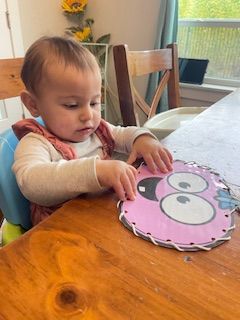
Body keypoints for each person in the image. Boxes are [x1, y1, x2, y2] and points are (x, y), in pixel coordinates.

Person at [12, 36, 173, 225]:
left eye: (94, 102)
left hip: (102, 217)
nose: (88, 115)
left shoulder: (97, 130)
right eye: (72, 105)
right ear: (33, 104)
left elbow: (123, 134)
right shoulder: (35, 143)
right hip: (61, 231)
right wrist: (95, 171)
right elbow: (31, 182)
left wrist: (143, 139)